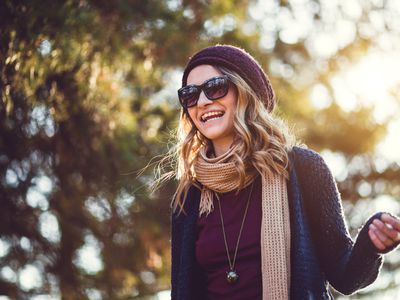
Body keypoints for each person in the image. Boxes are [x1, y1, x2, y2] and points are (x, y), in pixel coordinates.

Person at [169, 44, 400, 300]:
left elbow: (345, 277)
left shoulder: (303, 169)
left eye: (215, 88)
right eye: (190, 94)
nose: (202, 102)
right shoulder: (190, 194)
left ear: (246, 92)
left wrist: (370, 245)